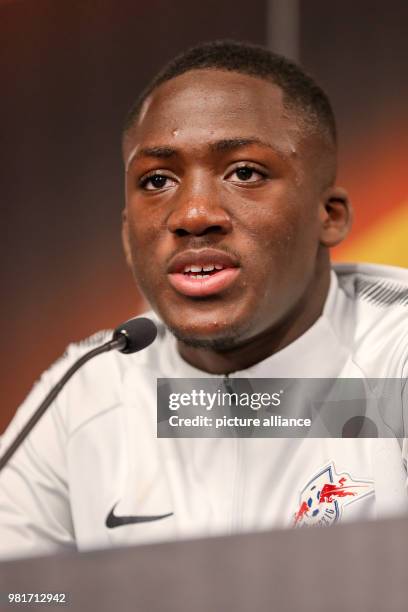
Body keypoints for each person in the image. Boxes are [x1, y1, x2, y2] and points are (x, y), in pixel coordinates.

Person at [0, 40, 407, 560]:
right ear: (128, 237)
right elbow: (19, 594)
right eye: (157, 180)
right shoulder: (88, 388)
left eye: (244, 172)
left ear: (329, 216)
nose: (192, 214)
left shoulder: (396, 352)